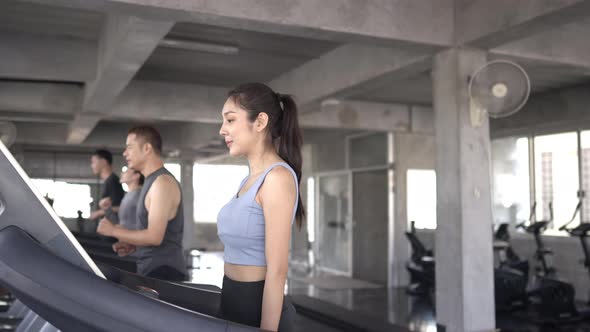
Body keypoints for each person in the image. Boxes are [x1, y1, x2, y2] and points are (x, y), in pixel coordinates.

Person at [217, 82, 304, 331]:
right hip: (231, 302)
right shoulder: (247, 181)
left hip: (258, 310)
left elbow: (277, 272)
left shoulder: (277, 179)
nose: (223, 130)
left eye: (230, 120)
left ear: (260, 122)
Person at [96, 126, 187, 281]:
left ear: (146, 148)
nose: (125, 153)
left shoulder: (162, 182)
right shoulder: (151, 182)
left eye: (129, 147)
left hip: (164, 272)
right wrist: (133, 244)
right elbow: (157, 236)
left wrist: (113, 231)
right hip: (152, 268)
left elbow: (154, 237)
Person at [89, 149, 125, 222]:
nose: (92, 166)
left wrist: (98, 213)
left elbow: (121, 207)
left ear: (103, 162)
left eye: (94, 162)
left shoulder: (112, 181)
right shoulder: (108, 181)